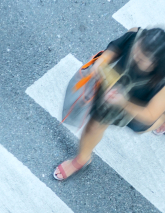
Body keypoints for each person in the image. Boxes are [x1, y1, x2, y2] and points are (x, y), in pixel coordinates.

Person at [55, 26, 165, 180]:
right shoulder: (135, 35)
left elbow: (149, 115)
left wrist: (124, 102)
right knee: (93, 126)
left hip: (140, 107)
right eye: (136, 49)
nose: (135, 56)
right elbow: (114, 50)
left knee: (148, 123)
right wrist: (100, 64)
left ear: (157, 64)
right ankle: (81, 159)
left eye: (142, 59)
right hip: (114, 91)